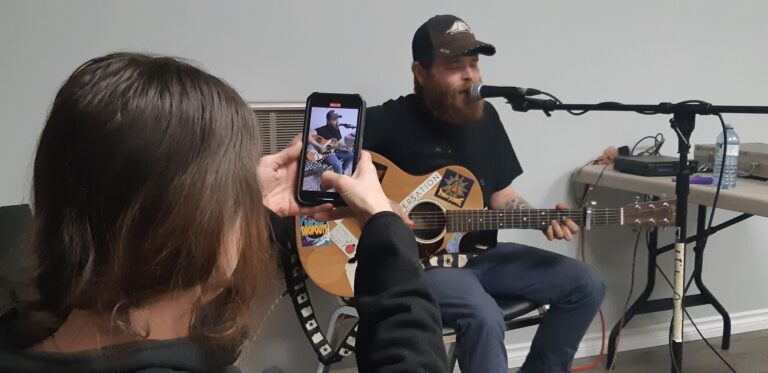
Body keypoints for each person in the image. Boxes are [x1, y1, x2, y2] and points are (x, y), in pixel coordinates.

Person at [0, 53, 447, 372]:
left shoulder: (24, 336)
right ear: (193, 223)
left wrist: (244, 205)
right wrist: (386, 231)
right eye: (229, 191)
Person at [364, 15, 607, 373]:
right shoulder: (392, 119)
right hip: (423, 267)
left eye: (474, 65)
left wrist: (539, 218)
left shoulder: (486, 117)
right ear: (420, 72)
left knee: (587, 283)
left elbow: (503, 196)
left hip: (483, 258)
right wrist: (383, 207)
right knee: (483, 316)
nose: (471, 76)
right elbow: (313, 154)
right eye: (454, 66)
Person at [307, 110, 355, 174]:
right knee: (337, 165)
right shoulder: (322, 129)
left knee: (351, 155)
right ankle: (338, 179)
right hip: (326, 154)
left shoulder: (337, 130)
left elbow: (339, 143)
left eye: (337, 119)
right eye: (334, 120)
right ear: (328, 121)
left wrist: (346, 146)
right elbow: (307, 135)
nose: (337, 122)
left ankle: (341, 172)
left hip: (334, 152)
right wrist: (320, 146)